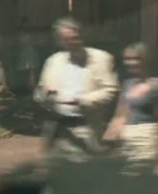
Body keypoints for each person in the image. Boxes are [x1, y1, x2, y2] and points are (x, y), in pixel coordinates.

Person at [34, 17, 120, 164]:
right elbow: (39, 91)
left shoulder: (101, 58)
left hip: (85, 125)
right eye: (67, 40)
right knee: (56, 168)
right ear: (60, 41)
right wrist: (44, 94)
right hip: (57, 127)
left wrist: (82, 100)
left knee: (84, 168)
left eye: (76, 37)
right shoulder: (53, 61)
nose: (74, 42)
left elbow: (111, 90)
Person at [104, 43, 158, 174]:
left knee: (138, 175)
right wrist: (111, 134)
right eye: (127, 59)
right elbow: (120, 113)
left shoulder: (157, 85)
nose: (130, 63)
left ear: (146, 60)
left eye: (135, 59)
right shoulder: (128, 83)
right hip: (126, 136)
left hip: (146, 135)